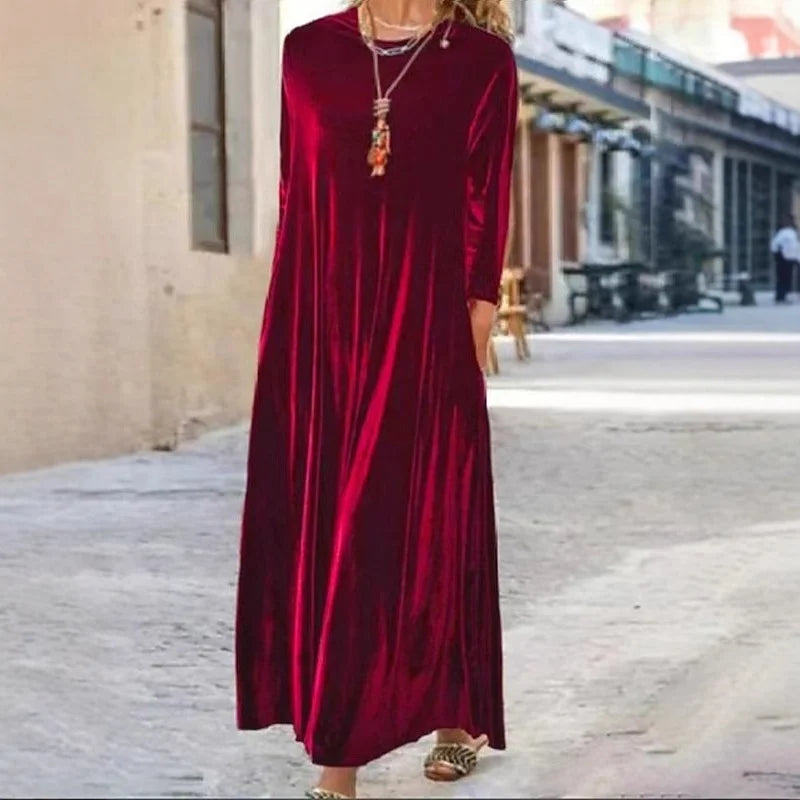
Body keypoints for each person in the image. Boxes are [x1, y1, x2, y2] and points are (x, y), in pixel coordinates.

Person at [235, 1, 517, 798]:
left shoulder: (480, 61)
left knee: (423, 515)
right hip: (320, 320)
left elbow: (486, 200)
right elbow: (295, 192)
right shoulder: (306, 51)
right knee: (333, 519)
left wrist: (473, 325)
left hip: (423, 319)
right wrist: (291, 331)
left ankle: (438, 721)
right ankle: (345, 741)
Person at [771, 214, 799, 304]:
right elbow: (774, 244)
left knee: (788, 278)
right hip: (783, 258)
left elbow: (795, 246)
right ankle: (780, 296)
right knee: (783, 278)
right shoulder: (782, 232)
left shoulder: (793, 232)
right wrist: (778, 255)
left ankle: (784, 295)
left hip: (791, 258)